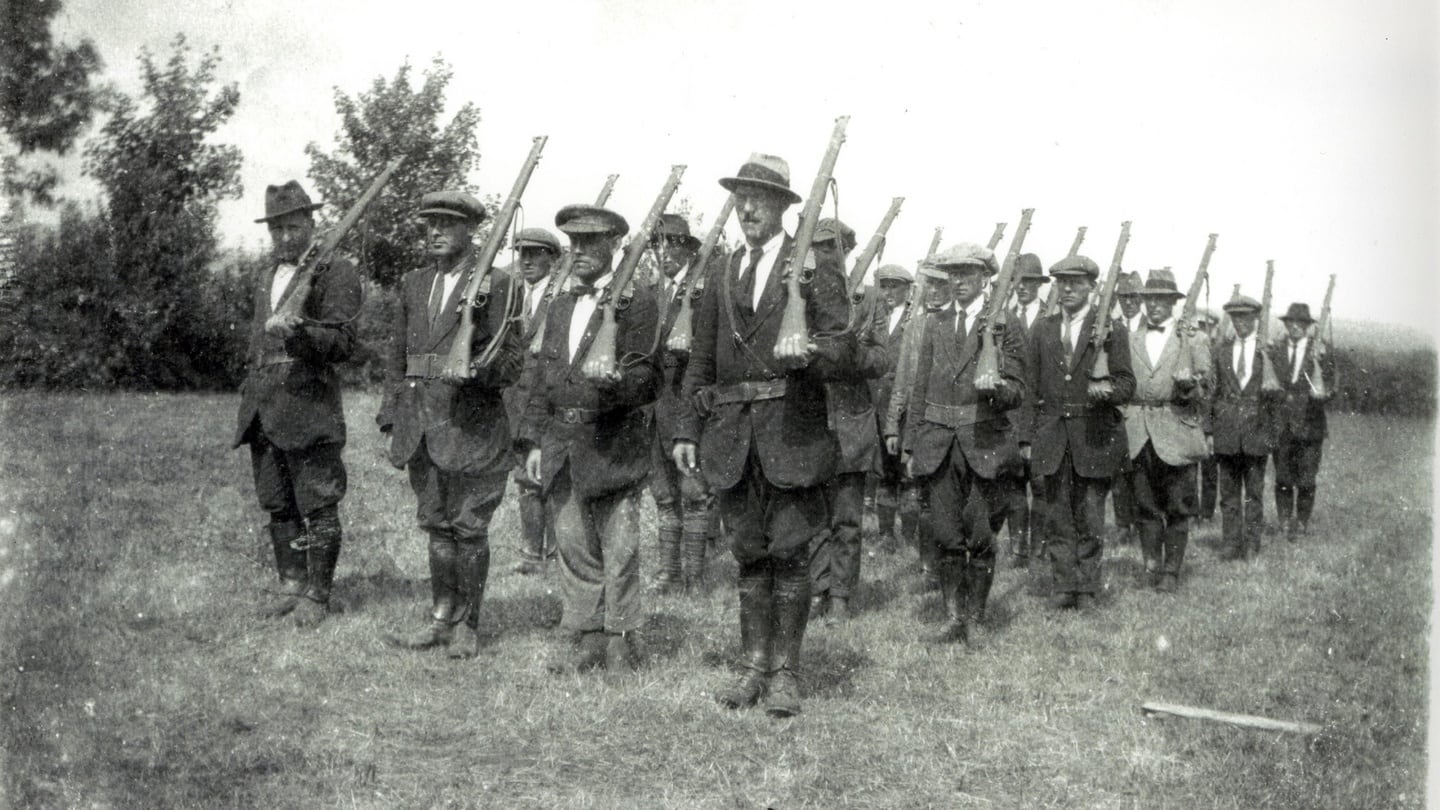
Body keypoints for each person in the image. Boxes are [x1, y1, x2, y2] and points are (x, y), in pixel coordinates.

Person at [674, 153, 854, 717]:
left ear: (782, 207)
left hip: (792, 433)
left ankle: (785, 673)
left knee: (793, 555)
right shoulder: (724, 269)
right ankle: (753, 666)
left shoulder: (812, 269)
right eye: (741, 197)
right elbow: (701, 357)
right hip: (730, 435)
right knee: (749, 553)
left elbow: (847, 347)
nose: (748, 207)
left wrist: (813, 350)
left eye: (761, 199)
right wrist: (686, 428)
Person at [376, 191, 523, 657]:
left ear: (470, 231)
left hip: (470, 423)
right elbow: (395, 355)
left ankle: (468, 625)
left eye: (447, 224)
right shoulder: (415, 282)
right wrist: (390, 415)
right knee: (436, 523)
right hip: (420, 421)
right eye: (429, 223)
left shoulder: (497, 284)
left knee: (469, 525)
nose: (435, 231)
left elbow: (514, 360)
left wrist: (476, 368)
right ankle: (441, 617)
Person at [520, 204, 660, 674]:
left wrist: (615, 380)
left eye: (590, 243)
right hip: (562, 438)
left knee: (619, 545)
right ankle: (586, 630)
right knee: (573, 542)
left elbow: (649, 377)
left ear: (614, 246)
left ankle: (621, 636)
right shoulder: (560, 306)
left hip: (612, 439)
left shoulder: (638, 302)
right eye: (573, 242)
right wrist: (536, 441)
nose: (577, 251)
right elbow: (544, 377)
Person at [235, 180, 362, 628]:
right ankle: (291, 584)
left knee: (319, 501)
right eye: (277, 230)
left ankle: (318, 593)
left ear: (311, 222)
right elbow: (256, 340)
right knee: (277, 500)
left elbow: (344, 343)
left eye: (293, 226)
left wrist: (300, 330)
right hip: (264, 402)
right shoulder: (267, 275)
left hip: (309, 403)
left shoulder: (337, 272)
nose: (285, 237)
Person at [890, 243, 1027, 642]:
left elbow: (1018, 390)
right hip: (938, 443)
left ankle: (977, 619)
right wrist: (913, 442)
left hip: (984, 442)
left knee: (981, 535)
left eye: (968, 274)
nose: (959, 281)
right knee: (946, 534)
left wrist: (997, 387)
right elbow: (919, 388)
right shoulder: (936, 324)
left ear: (986, 278)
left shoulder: (1004, 324)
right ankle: (954, 618)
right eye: (954, 274)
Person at [1026, 255, 1135, 610]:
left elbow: (1126, 382)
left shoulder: (1110, 330)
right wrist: (1028, 437)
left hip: (1095, 434)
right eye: (1062, 282)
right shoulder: (1043, 329)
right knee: (1057, 515)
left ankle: (1086, 587)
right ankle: (1063, 586)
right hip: (1054, 435)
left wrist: (1109, 391)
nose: (1068, 288)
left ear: (1092, 287)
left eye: (1076, 282)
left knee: (1090, 515)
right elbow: (1029, 387)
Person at [807, 217, 888, 623]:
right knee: (812, 517)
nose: (826, 256)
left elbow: (880, 358)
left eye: (833, 249)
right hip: (811, 418)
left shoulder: (868, 298)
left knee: (846, 517)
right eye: (819, 248)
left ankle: (840, 595)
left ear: (848, 252)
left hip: (852, 420)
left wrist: (850, 353)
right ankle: (818, 588)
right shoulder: (801, 293)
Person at [1120, 270, 1212, 592]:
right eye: (1149, 299)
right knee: (1144, 504)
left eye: (1162, 299)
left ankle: (1171, 570)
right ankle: (1151, 565)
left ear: (1173, 303)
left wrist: (1190, 386)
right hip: (1139, 431)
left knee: (1177, 504)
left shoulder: (1193, 339)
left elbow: (1207, 386)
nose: (1155, 306)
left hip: (1176, 429)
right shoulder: (1130, 338)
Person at [649, 213, 719, 593]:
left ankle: (694, 576)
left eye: (675, 244)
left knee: (693, 493)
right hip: (655, 406)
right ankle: (668, 573)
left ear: (690, 250)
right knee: (663, 495)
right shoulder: (650, 292)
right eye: (660, 245)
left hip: (687, 403)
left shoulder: (704, 293)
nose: (666, 253)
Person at [507, 227, 562, 575]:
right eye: (522, 253)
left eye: (537, 253)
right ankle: (531, 554)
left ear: (552, 259)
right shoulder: (511, 297)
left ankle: (557, 555)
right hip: (515, 400)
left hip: (550, 398)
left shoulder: (563, 297)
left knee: (551, 476)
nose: (527, 260)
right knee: (524, 477)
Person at [1209, 294, 1277, 560]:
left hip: (1256, 431)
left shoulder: (1268, 353)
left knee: (1254, 493)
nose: (1241, 323)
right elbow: (1212, 392)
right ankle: (1230, 543)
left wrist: (1271, 433)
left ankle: (1251, 544)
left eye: (1246, 317)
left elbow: (1276, 398)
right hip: (1226, 430)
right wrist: (1208, 430)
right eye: (1236, 317)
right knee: (1228, 493)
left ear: (1256, 319)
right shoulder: (1222, 351)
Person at [1000, 253, 1049, 567]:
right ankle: (1018, 549)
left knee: (1043, 486)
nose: (1022, 288)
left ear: (1038, 285)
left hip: (1043, 414)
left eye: (1029, 282)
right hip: (1012, 414)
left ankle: (1039, 548)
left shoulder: (1053, 316)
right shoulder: (1002, 318)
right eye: (1018, 283)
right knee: (1013, 486)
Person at [1272, 302, 1334, 539]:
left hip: (1310, 425)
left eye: (1300, 323)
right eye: (1291, 323)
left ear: (1308, 327)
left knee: (1307, 478)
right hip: (1282, 425)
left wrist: (1322, 390)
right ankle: (1284, 521)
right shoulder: (1276, 350)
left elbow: (1331, 385)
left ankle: (1302, 522)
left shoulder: (1320, 351)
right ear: (1286, 325)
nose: (1295, 327)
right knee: (1283, 477)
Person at [867, 264, 916, 553]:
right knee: (883, 471)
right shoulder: (874, 318)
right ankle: (886, 534)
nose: (888, 292)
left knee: (906, 472)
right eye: (883, 286)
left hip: (901, 406)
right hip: (875, 401)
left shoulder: (914, 320)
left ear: (906, 289)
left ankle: (909, 534)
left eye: (894, 287)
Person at [1109, 270, 1144, 545]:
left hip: (1143, 405)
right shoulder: (1110, 325)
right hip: (1119, 406)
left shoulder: (1149, 326)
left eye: (1134, 298)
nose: (1129, 302)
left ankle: (1143, 520)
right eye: (1124, 298)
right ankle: (1123, 524)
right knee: (1119, 470)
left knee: (1143, 469)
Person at [1194, 308, 1221, 521]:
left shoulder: (1218, 353)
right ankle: (1191, 510)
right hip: (1192, 417)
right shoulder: (1191, 350)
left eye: (1207, 326)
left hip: (1212, 419)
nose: (1203, 330)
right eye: (1199, 326)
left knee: (1210, 471)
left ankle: (1206, 513)